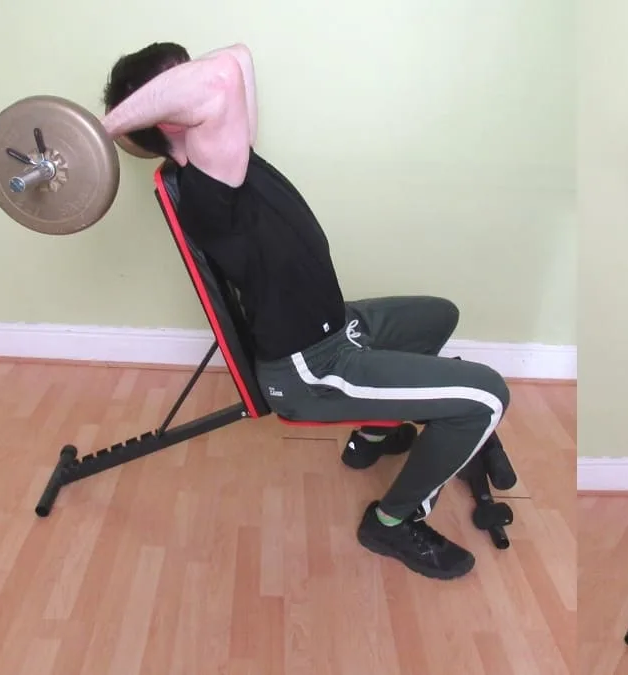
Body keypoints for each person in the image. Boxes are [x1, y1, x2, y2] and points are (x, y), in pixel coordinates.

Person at [99, 42, 511, 581]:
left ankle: (371, 436)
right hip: (312, 366)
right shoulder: (209, 185)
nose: (200, 78)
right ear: (164, 114)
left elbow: (237, 58)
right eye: (178, 81)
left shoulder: (230, 153)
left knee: (438, 316)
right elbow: (219, 78)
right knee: (485, 396)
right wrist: (100, 129)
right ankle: (391, 521)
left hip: (337, 325)